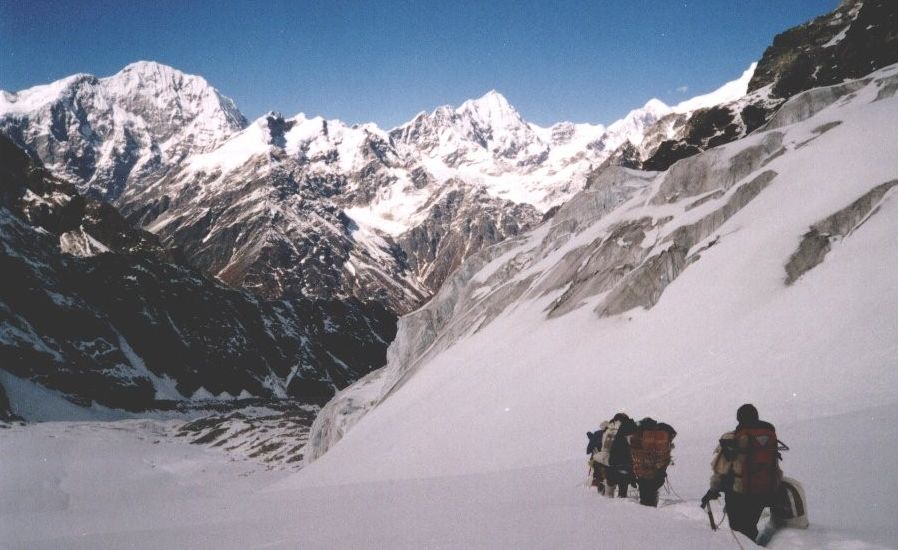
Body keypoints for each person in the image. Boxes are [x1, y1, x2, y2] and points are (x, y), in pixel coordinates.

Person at [702, 404, 782, 542]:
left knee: (738, 531)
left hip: (738, 493)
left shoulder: (731, 438)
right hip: (764, 492)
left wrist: (713, 490)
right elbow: (775, 466)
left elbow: (721, 469)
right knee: (750, 526)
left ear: (739, 418)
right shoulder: (768, 437)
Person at [630, 417, 676, 507]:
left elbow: (633, 447)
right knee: (652, 489)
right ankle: (651, 508)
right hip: (655, 469)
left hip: (642, 468)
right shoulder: (662, 432)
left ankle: (646, 508)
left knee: (644, 491)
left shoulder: (639, 432)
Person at [593, 412, 637, 498]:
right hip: (625, 466)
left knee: (609, 494)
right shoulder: (629, 429)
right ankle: (622, 501)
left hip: (611, 465)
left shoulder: (609, 429)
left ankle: (606, 499)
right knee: (622, 494)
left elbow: (604, 449)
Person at [586, 422, 608, 493]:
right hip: (609, 458)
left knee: (596, 471)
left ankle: (596, 482)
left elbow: (589, 449)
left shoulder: (597, 434)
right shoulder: (613, 434)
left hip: (598, 458)